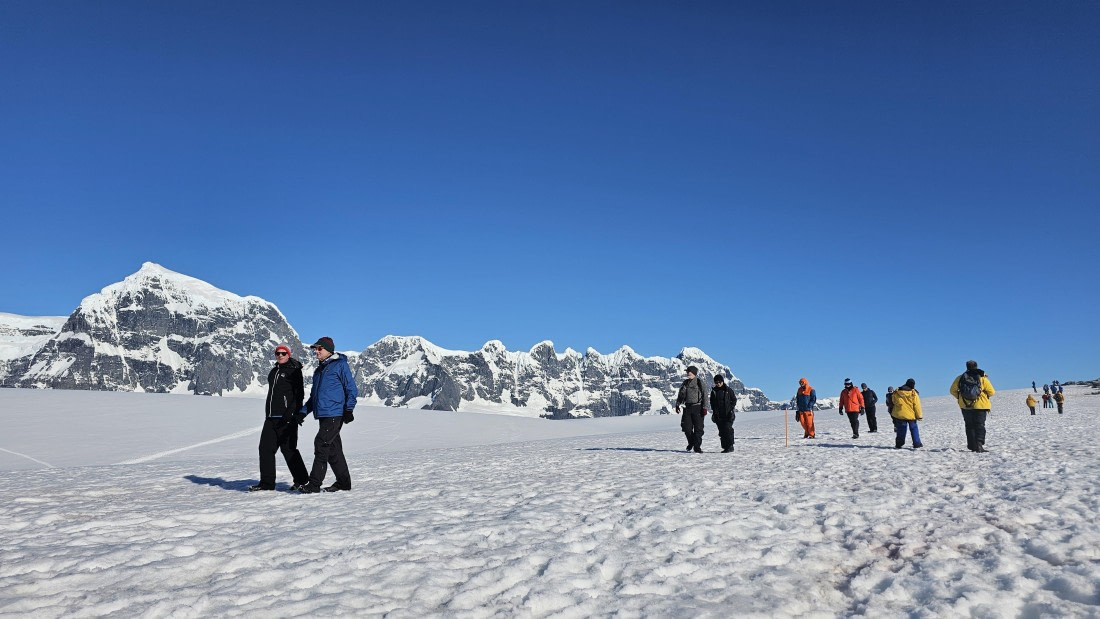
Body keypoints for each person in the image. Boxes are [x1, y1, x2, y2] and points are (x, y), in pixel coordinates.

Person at [299, 336, 358, 493]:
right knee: (333, 450)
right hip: (324, 415)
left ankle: (314, 484)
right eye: (315, 349)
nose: (316, 352)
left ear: (328, 351)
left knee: (321, 444)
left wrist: (348, 409)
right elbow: (314, 398)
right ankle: (344, 483)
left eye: (319, 349)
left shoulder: (340, 365)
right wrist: (302, 413)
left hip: (334, 414)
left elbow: (351, 389)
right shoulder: (319, 371)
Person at [249, 345, 310, 492]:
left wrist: (291, 415)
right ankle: (267, 484)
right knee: (265, 449)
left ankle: (302, 481)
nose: (280, 355)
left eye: (283, 353)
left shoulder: (294, 371)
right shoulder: (274, 371)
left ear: (288, 354)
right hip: (270, 418)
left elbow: (299, 396)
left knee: (288, 449)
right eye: (278, 353)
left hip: (286, 418)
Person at [950, 360, 996, 453]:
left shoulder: (960, 378)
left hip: (965, 406)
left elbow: (952, 390)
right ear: (976, 366)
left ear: (966, 367)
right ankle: (979, 445)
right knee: (979, 425)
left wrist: (960, 398)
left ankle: (972, 446)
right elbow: (992, 392)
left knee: (969, 426)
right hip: (980, 406)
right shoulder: (982, 378)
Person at [675, 366, 708, 453]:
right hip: (688, 408)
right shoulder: (685, 383)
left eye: (689, 371)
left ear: (694, 373)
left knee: (698, 429)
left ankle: (697, 447)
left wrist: (704, 407)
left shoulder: (700, 382)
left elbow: (705, 395)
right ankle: (691, 442)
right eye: (687, 372)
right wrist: (677, 405)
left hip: (698, 407)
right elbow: (681, 395)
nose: (688, 373)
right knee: (686, 428)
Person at [891, 378, 923, 449]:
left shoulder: (897, 391)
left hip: (900, 414)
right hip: (911, 415)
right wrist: (919, 416)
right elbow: (917, 405)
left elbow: (894, 401)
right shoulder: (913, 393)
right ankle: (917, 443)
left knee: (901, 429)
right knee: (914, 428)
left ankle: (899, 444)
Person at [709, 374, 737, 453]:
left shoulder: (728, 390)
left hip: (728, 414)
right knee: (721, 431)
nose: (718, 383)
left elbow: (734, 400)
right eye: (716, 382)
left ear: (722, 381)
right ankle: (725, 447)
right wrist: (714, 412)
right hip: (718, 415)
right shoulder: (714, 392)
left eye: (719, 382)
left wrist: (731, 409)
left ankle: (730, 446)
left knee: (728, 429)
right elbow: (712, 402)